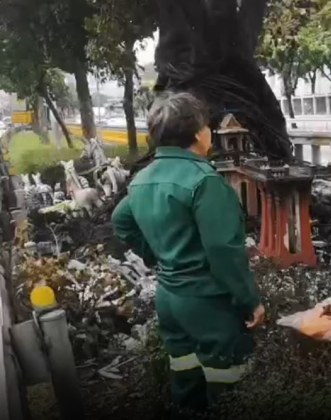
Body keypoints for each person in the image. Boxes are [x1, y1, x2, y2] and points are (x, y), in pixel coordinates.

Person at [112, 91, 265, 418]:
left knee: (185, 377)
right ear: (198, 133)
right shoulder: (204, 181)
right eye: (208, 126)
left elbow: (121, 220)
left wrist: (155, 255)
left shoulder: (142, 180)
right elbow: (223, 250)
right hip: (207, 301)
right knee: (228, 384)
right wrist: (250, 300)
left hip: (169, 299)